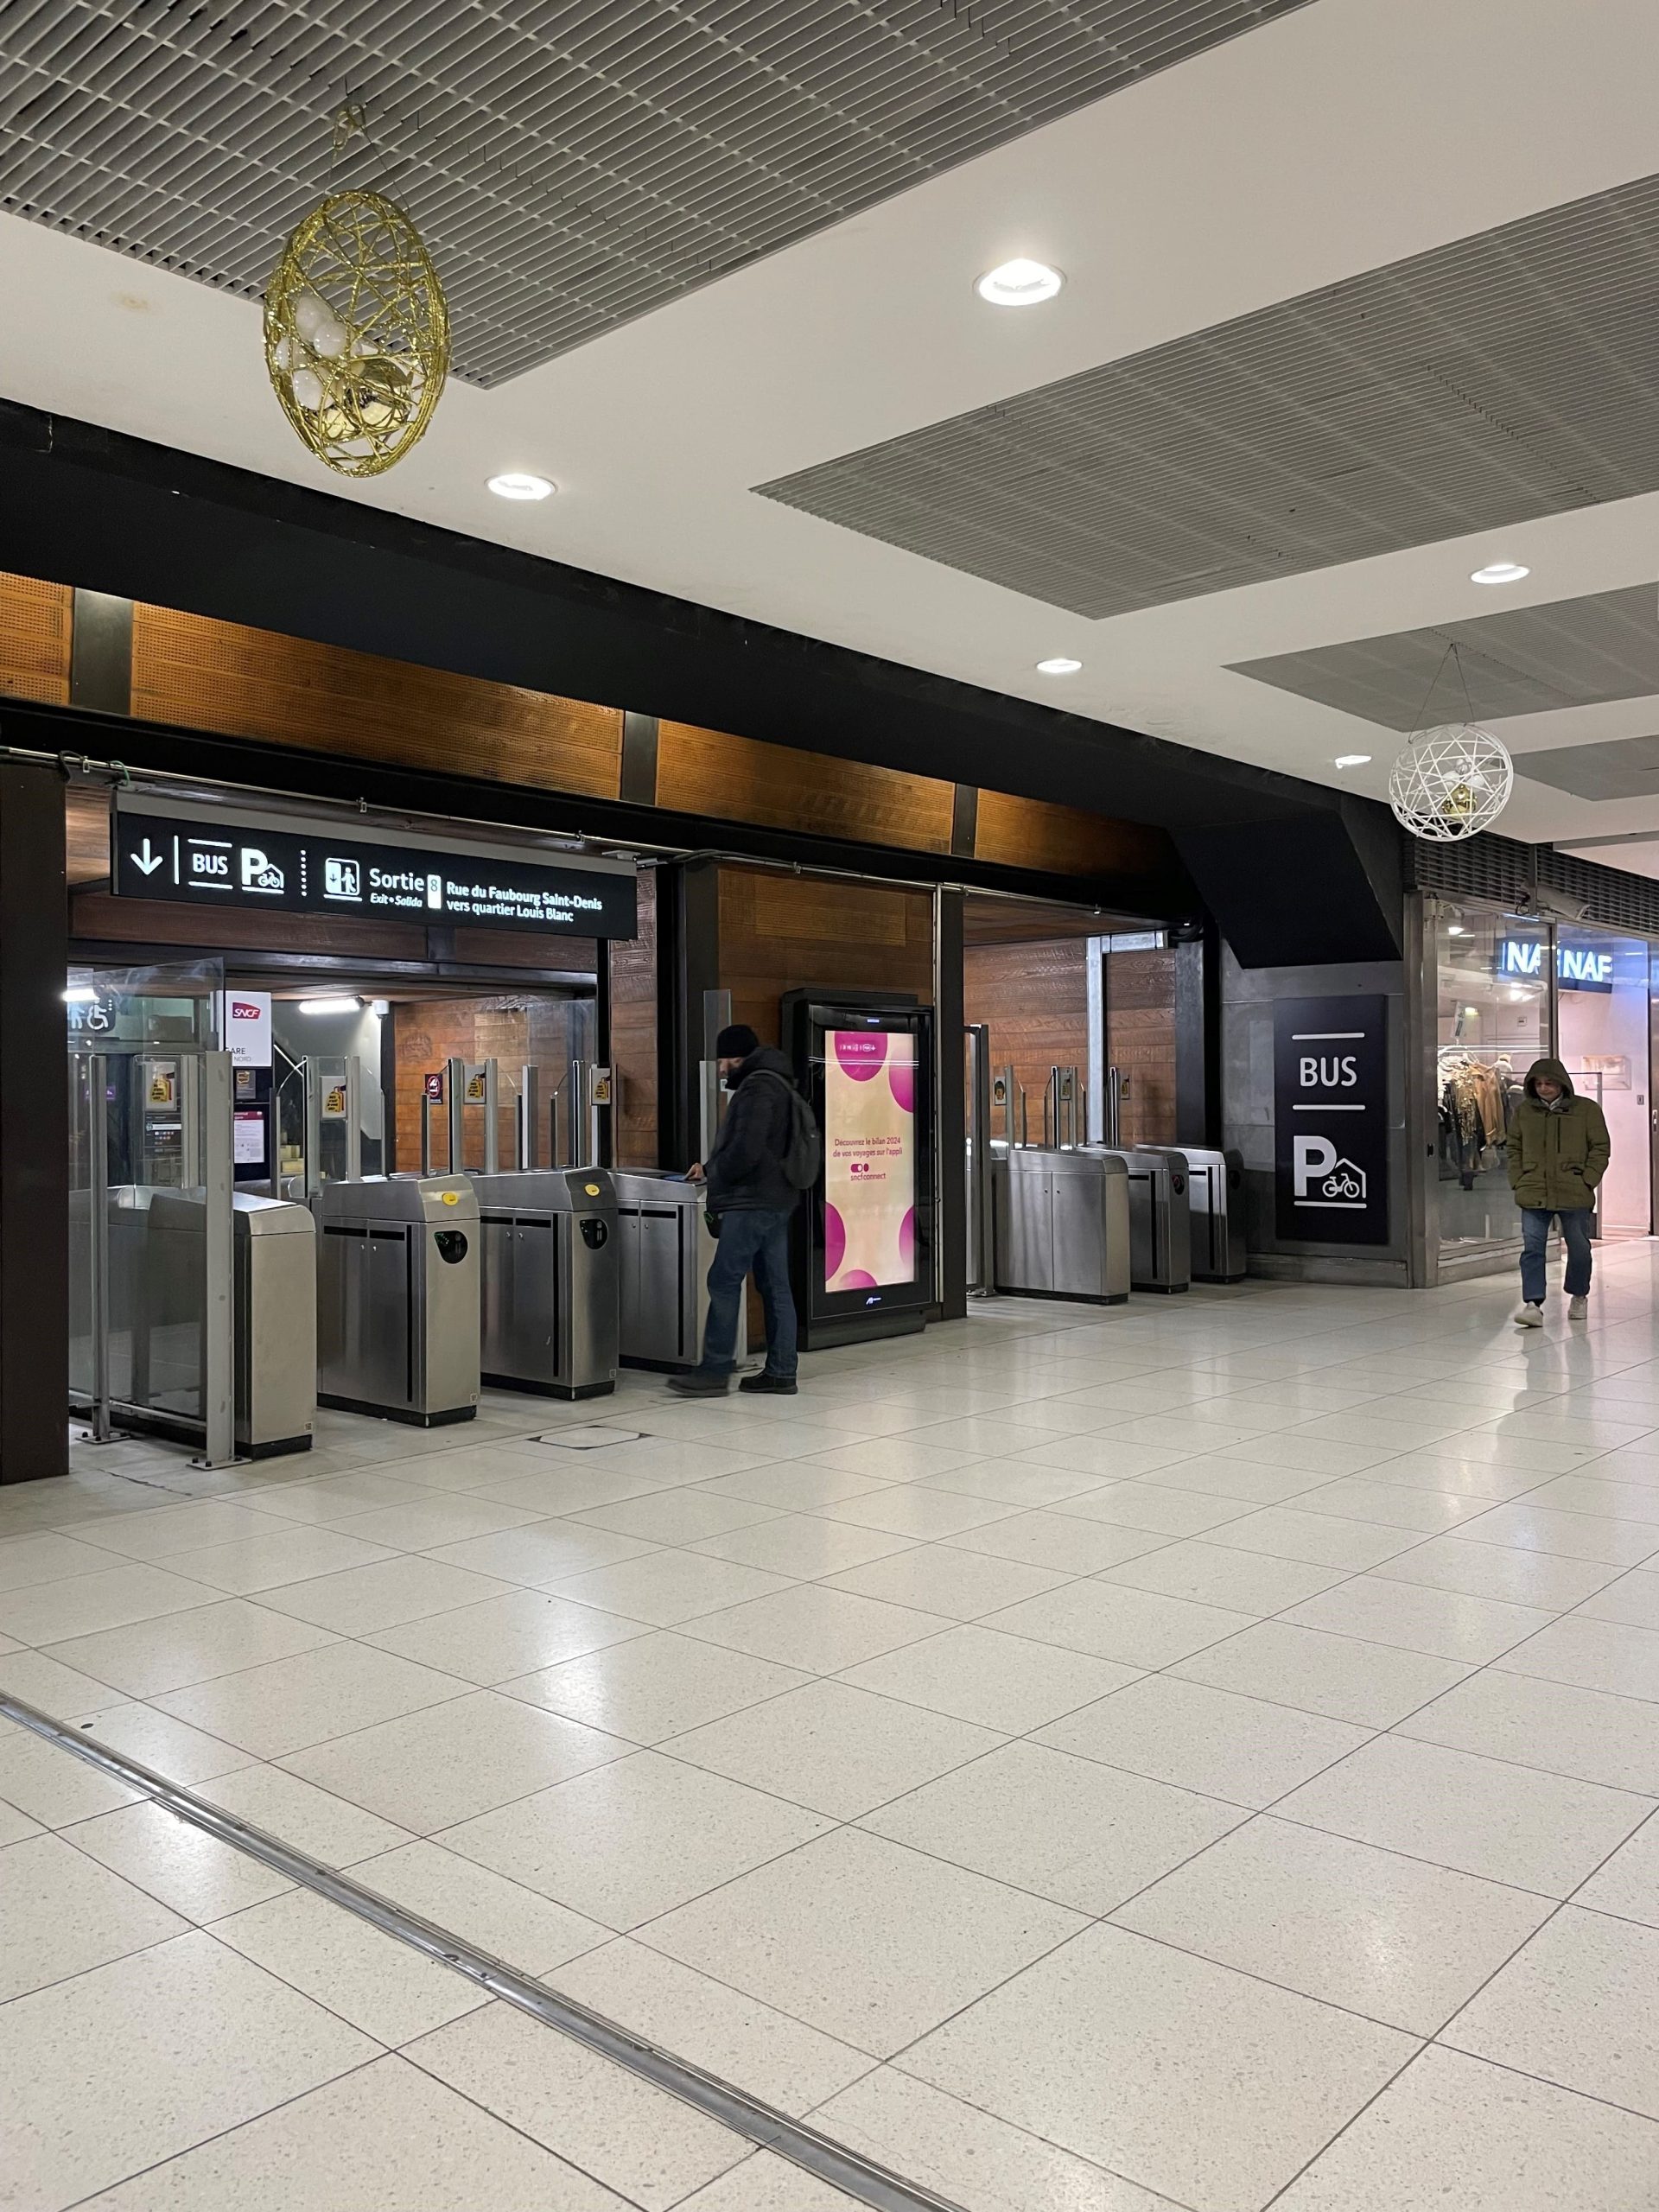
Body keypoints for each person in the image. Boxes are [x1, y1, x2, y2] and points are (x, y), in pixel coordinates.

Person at [671, 1023, 802, 1395]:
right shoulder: (778, 1082)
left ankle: (714, 1372)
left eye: (723, 1059)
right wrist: (710, 1167)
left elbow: (747, 1149)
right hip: (777, 1199)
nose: (720, 1068)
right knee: (776, 1286)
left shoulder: (757, 1088)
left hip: (752, 1202)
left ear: (736, 1057)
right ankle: (781, 1371)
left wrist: (716, 1174)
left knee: (724, 1280)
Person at [1507, 1055, 1608, 1328]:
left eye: (1549, 1083)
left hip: (1574, 1191)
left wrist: (1588, 1180)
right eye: (1538, 1083)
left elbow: (1600, 1147)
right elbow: (1513, 1146)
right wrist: (1518, 1178)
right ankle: (1533, 1303)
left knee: (1578, 1248)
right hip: (1533, 1191)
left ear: (1562, 1083)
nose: (1543, 1088)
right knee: (1532, 1247)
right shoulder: (1524, 1112)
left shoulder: (1587, 1110)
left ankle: (1579, 1294)